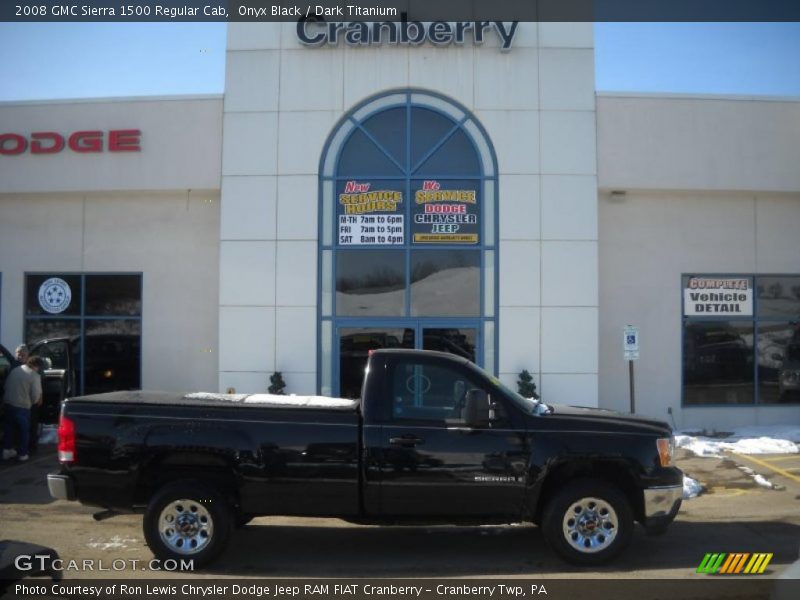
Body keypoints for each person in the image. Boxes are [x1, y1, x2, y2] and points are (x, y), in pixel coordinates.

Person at [2, 356, 46, 462]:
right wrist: (35, 402)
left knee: (9, 429)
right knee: (24, 431)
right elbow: (36, 396)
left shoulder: (15, 370)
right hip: (22, 406)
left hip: (8, 403)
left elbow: (5, 386)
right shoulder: (34, 375)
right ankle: (23, 454)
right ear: (37, 366)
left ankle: (7, 451)